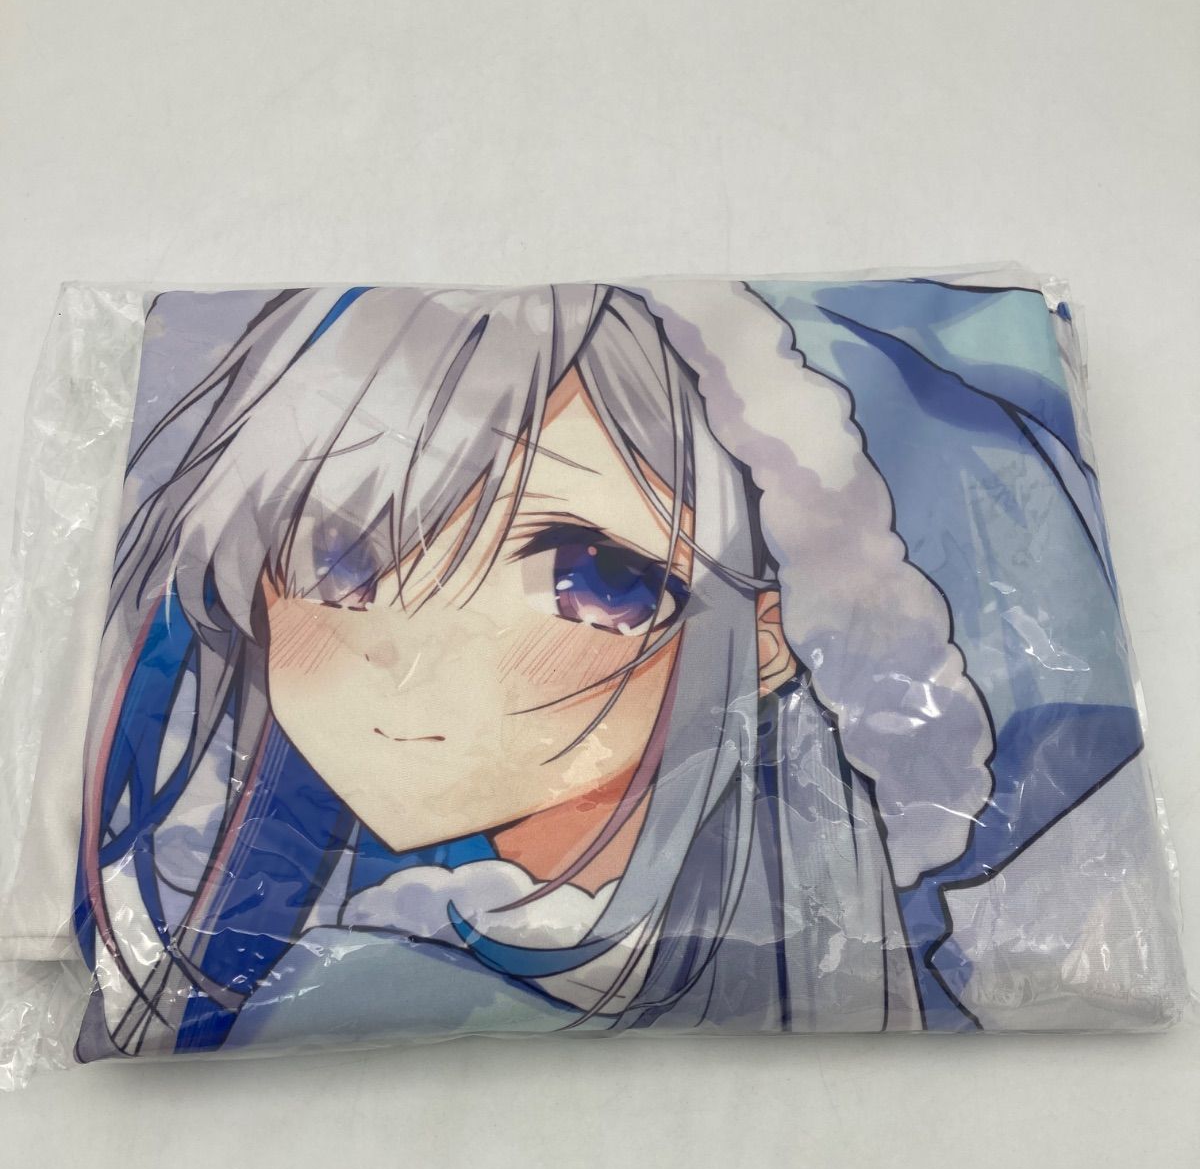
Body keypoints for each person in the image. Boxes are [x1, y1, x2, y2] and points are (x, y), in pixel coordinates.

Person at [74, 282, 994, 1060]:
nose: (418, 654)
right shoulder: (209, 902)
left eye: (592, 578)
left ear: (764, 638)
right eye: (342, 555)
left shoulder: (804, 933)